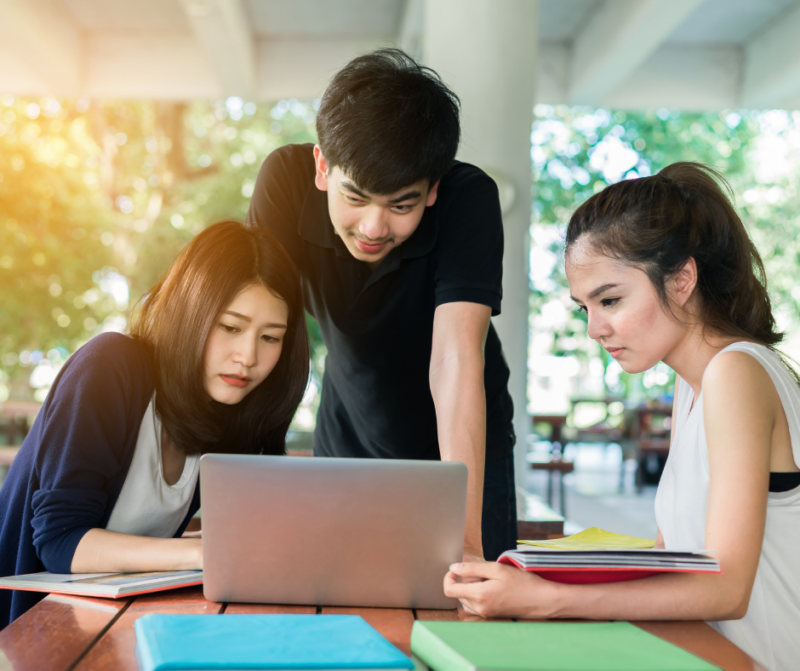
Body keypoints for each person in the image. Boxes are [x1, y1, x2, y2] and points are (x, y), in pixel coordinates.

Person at [444, 163, 800, 670]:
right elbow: (671, 553)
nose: (595, 329)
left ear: (681, 280)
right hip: (699, 652)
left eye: (610, 300)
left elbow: (726, 588)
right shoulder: (693, 382)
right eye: (584, 307)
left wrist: (547, 600)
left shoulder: (735, 373)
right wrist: (546, 576)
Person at [247, 49, 516, 563]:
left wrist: (464, 542)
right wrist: (255, 492)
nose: (373, 228)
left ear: (433, 189)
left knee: (473, 609)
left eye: (401, 205)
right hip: (345, 440)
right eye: (355, 197)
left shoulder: (468, 198)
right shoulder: (285, 180)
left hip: (462, 453)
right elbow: (263, 338)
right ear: (323, 168)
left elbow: (457, 358)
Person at [0, 221, 309, 628]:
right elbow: (61, 543)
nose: (248, 356)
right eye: (230, 328)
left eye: (270, 337)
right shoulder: (110, 368)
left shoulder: (235, 413)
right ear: (189, 312)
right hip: (27, 632)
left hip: (113, 625)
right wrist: (203, 553)